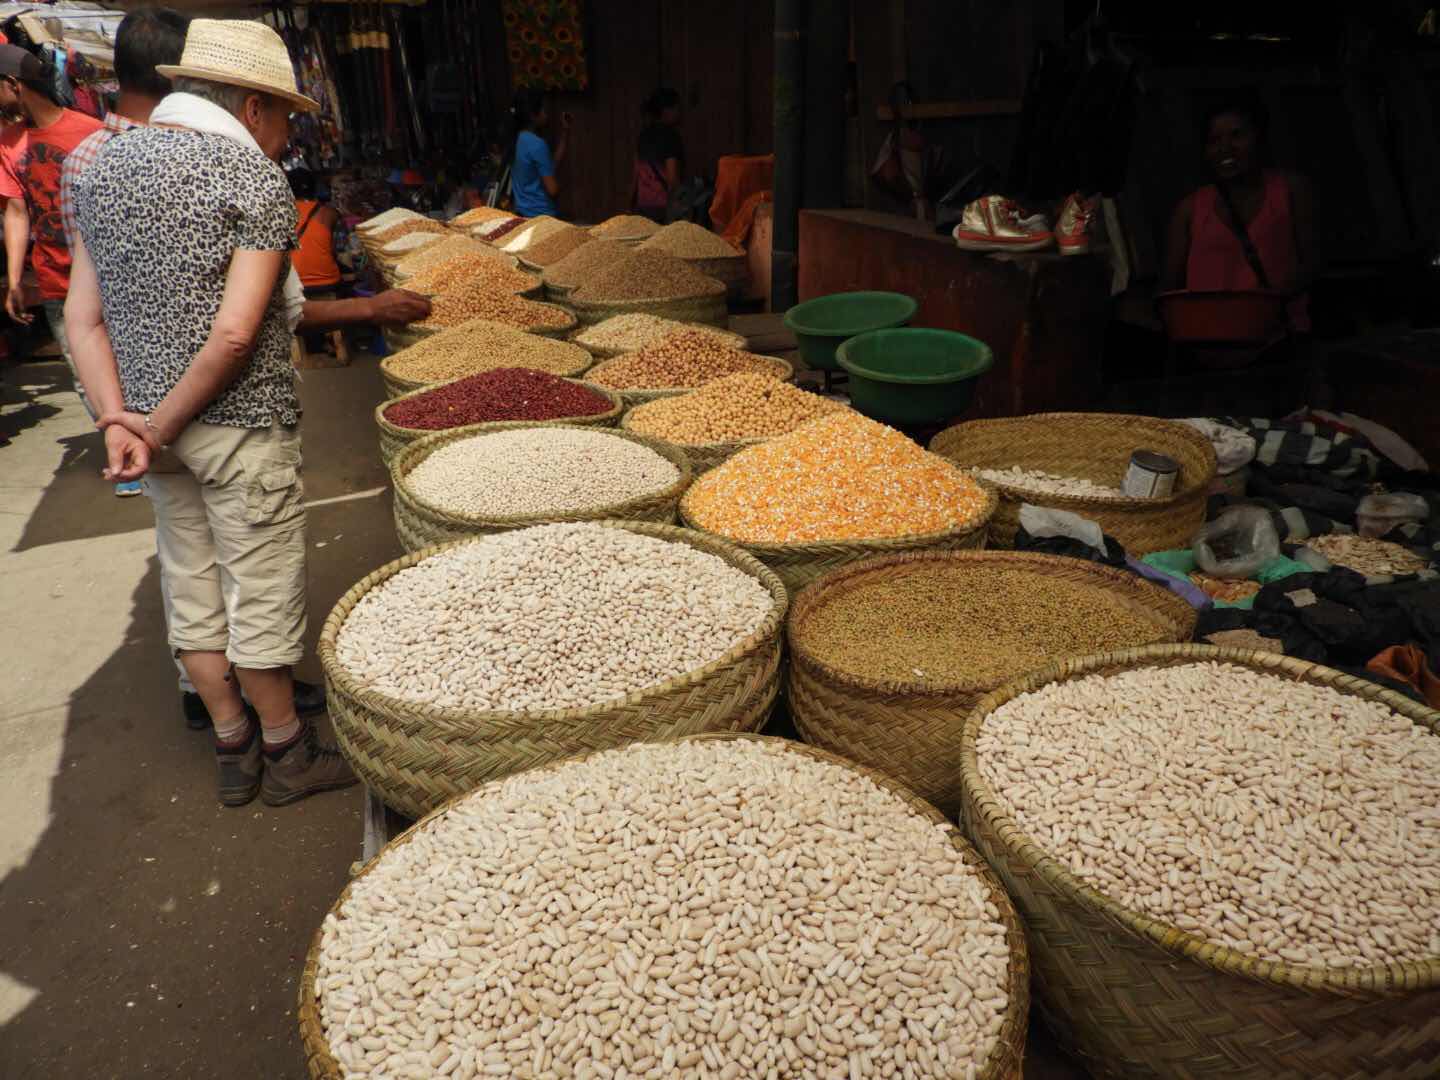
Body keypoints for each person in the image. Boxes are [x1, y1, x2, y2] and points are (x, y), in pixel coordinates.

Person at [58, 9, 429, 735]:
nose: (288, 137)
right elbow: (235, 335)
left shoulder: (103, 167)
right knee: (261, 586)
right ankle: (286, 745)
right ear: (252, 106)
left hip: (141, 422)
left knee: (190, 580)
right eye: (286, 120)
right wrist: (163, 422)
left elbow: (82, 321)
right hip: (237, 422)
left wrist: (122, 424)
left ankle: (231, 738)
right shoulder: (251, 176)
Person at [0, 45, 105, 469]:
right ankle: (119, 444)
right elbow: (16, 211)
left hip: (109, 274)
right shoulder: (8, 144)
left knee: (125, 362)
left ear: (13, 86)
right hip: (56, 279)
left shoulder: (90, 131)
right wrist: (14, 280)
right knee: (84, 372)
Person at [1163, 97, 1316, 332]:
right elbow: (1169, 288)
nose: (1225, 148)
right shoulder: (1189, 210)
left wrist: (1261, 305)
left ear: (1259, 138)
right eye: (1214, 140)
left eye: (1236, 136)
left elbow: (1312, 264)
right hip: (1210, 342)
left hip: (1280, 336)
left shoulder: (1291, 190)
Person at [288, 167, 341, 354]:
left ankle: (313, 340)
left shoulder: (281, 214)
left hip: (295, 285)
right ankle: (331, 338)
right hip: (328, 281)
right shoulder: (329, 213)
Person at [509, 88, 569, 218]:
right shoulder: (537, 144)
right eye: (543, 111)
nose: (546, 115)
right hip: (542, 215)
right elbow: (552, 190)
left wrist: (565, 133)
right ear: (532, 115)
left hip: (522, 214)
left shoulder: (515, 140)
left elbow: (549, 166)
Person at [634, 86, 683, 222]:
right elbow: (672, 178)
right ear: (667, 111)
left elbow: (636, 173)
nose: (680, 113)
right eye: (677, 108)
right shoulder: (671, 136)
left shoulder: (643, 135)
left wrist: (629, 205)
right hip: (663, 208)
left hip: (642, 205)